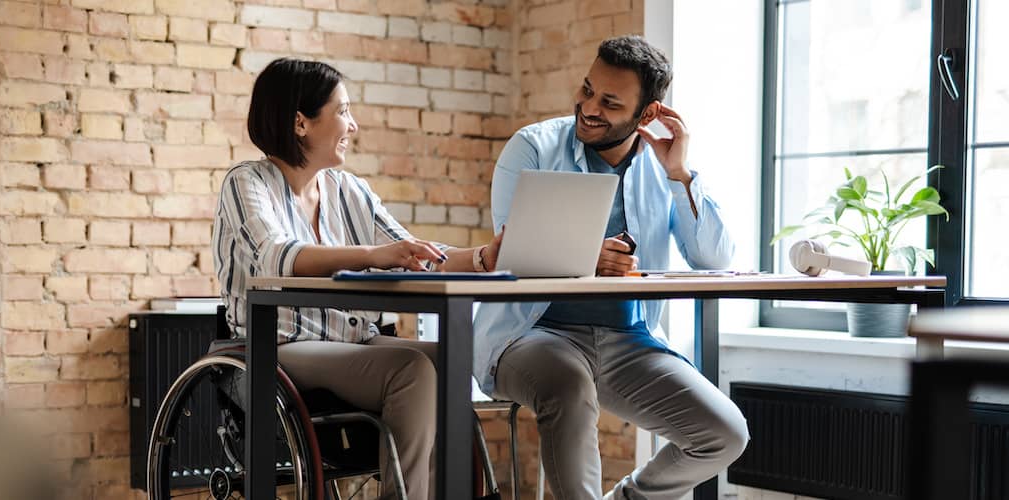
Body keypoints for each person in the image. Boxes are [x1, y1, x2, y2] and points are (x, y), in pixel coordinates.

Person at [212, 57, 503, 500]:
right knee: (410, 370)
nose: (354, 124)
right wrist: (374, 255)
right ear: (300, 123)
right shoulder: (246, 182)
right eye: (343, 110)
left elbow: (413, 254)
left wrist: (486, 256)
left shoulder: (351, 191)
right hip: (274, 346)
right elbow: (275, 256)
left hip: (349, 342)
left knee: (450, 358)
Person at [472, 36, 747, 500]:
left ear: (646, 115)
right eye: (587, 90)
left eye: (609, 102)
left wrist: (680, 174)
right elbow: (511, 251)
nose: (588, 106)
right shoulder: (532, 148)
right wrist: (585, 257)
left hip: (629, 344)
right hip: (531, 336)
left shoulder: (662, 168)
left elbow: (713, 259)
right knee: (568, 381)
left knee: (723, 433)